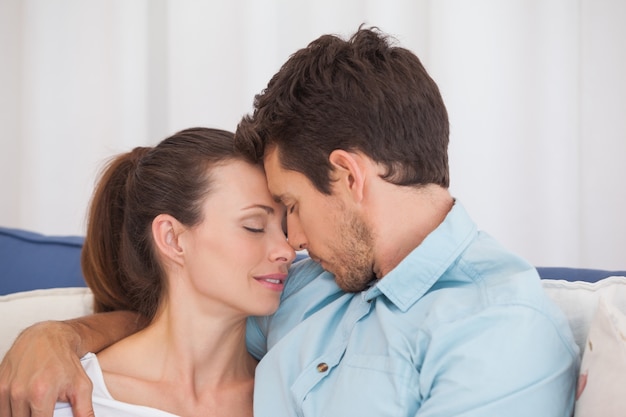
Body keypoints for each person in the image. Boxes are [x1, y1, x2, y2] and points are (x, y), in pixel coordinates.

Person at [0, 27, 579, 417]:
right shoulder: (312, 287)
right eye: (265, 222)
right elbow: (180, 323)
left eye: (293, 208)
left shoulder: (501, 331)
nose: (291, 243)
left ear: (349, 178)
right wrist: (58, 336)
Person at [24, 127, 295, 416]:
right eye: (254, 226)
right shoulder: (66, 397)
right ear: (172, 238)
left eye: (286, 229)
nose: (287, 251)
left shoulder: (297, 392)